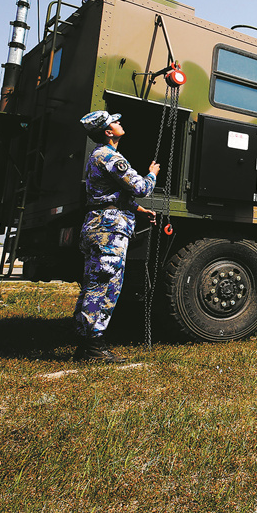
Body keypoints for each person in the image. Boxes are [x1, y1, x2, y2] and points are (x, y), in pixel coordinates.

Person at [74, 110, 159, 363]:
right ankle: (94, 347)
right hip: (109, 231)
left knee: (93, 285)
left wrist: (140, 211)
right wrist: (152, 173)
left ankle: (85, 344)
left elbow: (113, 195)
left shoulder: (98, 156)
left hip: (97, 226)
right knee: (105, 286)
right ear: (108, 132)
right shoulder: (110, 157)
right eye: (115, 121)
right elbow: (140, 188)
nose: (120, 122)